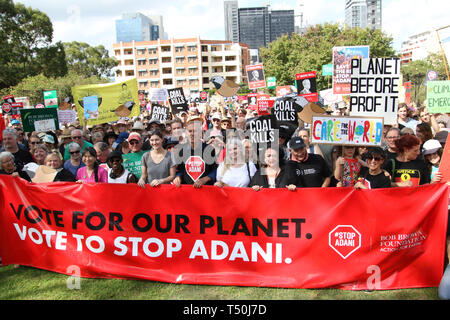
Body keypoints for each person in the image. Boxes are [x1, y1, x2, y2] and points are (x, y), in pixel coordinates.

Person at [172, 117, 217, 188]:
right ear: (186, 134)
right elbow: (180, 169)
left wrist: (206, 179)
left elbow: (216, 170)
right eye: (190, 131)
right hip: (188, 192)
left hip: (205, 191)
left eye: (195, 131)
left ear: (201, 133)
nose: (192, 134)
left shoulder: (209, 149)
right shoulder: (181, 150)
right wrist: (178, 177)